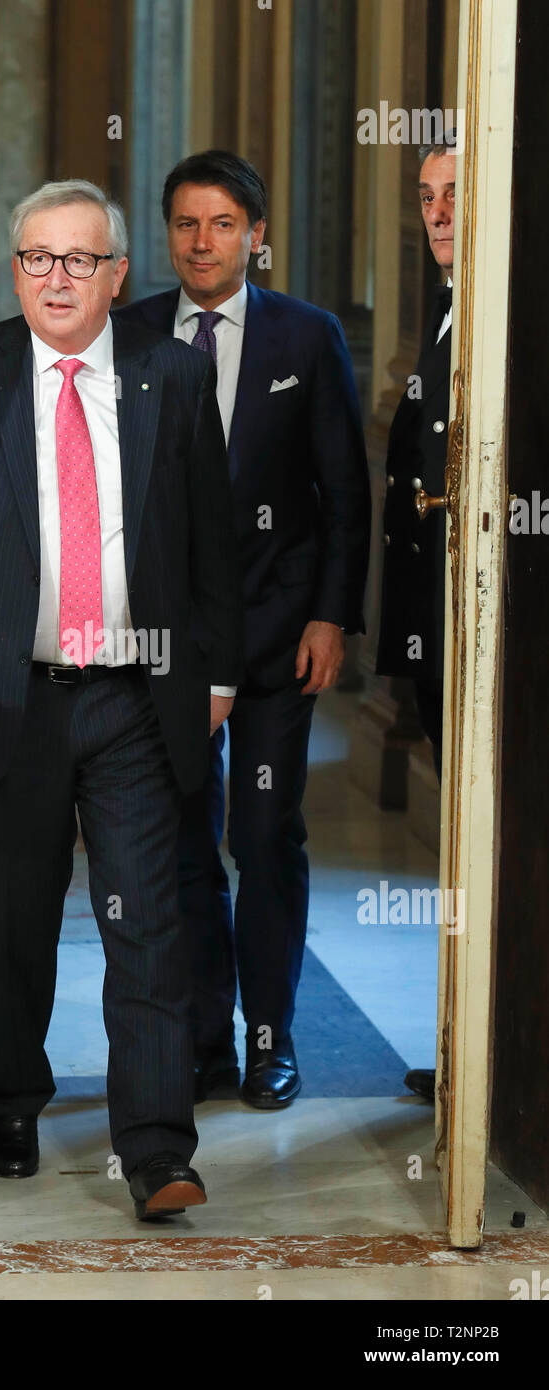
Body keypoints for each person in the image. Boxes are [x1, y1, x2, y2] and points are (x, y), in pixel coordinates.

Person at [0, 180, 243, 1221]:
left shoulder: (171, 375)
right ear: (15, 269)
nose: (58, 279)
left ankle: (159, 1147)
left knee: (149, 921)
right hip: (4, 697)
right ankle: (13, 1099)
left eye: (81, 260)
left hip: (134, 698)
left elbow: (212, 547)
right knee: (9, 916)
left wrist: (212, 677)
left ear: (117, 275)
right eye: (38, 258)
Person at [118, 150, 370, 1109]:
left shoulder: (307, 338)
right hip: (166, 648)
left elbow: (343, 493)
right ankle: (201, 1040)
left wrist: (330, 615)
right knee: (180, 846)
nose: (203, 242)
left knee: (264, 838)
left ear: (256, 236)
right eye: (186, 223)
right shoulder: (133, 331)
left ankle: (272, 1039)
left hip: (275, 641)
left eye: (223, 224)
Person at [376, 129, 457, 1103]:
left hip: (479, 631)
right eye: (425, 194)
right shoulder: (442, 313)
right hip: (432, 625)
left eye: (452, 194)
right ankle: (464, 1044)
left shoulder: (501, 318)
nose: (434, 213)